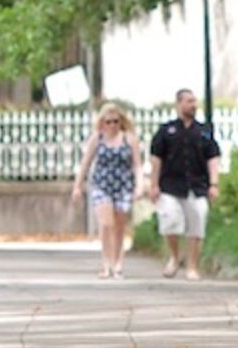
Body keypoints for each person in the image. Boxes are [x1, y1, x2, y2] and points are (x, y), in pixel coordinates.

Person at [142, 88, 220, 279]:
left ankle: (192, 266)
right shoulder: (166, 131)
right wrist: (153, 185)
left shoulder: (204, 131)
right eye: (188, 101)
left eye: (194, 101)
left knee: (197, 222)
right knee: (170, 220)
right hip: (170, 185)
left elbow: (213, 158)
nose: (192, 105)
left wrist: (214, 184)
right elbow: (156, 159)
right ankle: (175, 257)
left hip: (196, 185)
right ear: (178, 104)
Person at [71, 102, 140, 279]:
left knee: (119, 226)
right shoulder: (97, 139)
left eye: (116, 121)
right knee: (105, 223)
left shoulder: (129, 139)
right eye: (108, 121)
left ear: (121, 121)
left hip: (123, 185)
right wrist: (78, 186)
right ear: (102, 122)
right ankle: (106, 263)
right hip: (102, 184)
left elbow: (137, 165)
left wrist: (140, 185)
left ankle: (118, 264)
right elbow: (85, 163)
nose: (112, 125)